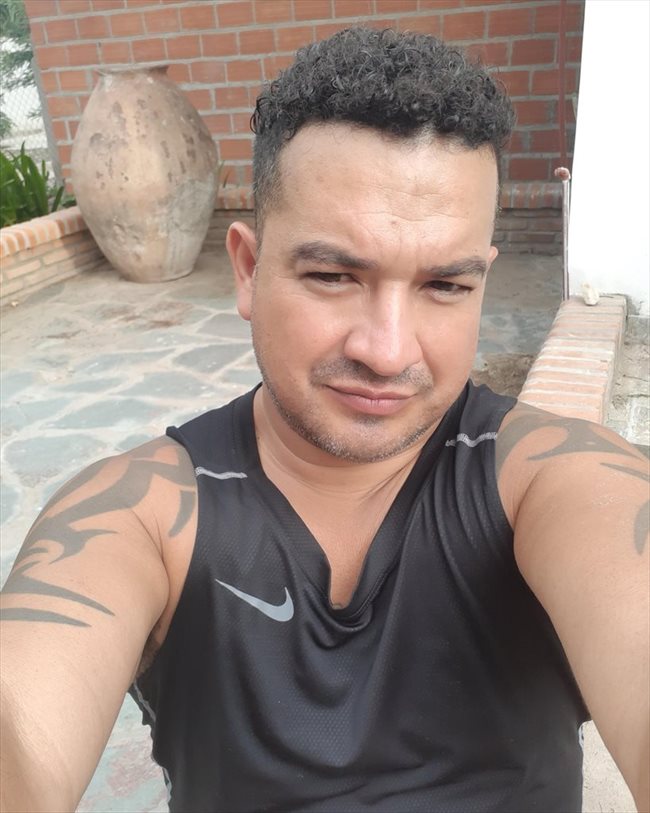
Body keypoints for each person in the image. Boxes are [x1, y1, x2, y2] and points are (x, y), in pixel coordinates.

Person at [0, 26, 648, 813]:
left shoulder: (554, 483)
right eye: (334, 275)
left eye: (445, 286)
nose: (387, 349)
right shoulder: (140, 520)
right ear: (248, 269)